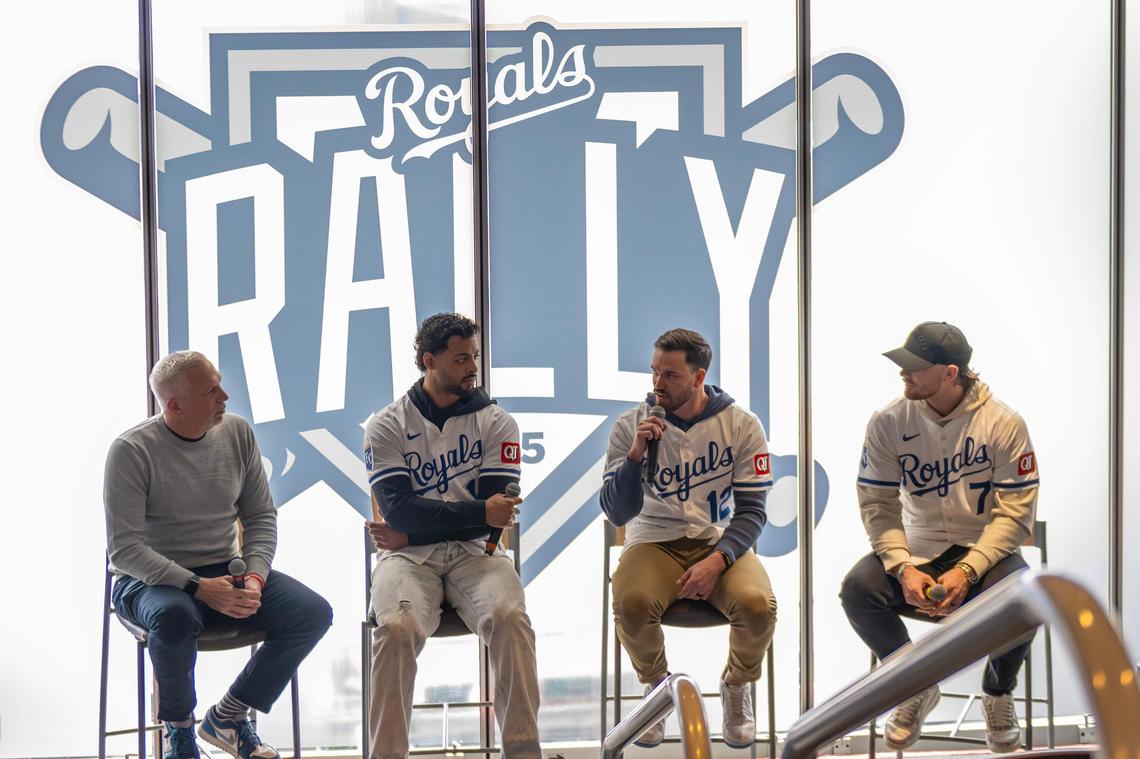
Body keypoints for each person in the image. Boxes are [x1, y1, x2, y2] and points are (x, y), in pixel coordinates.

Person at [104, 351, 332, 759]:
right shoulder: (131, 450)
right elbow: (125, 549)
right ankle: (180, 736)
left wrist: (257, 577)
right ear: (174, 405)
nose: (224, 396)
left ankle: (228, 716)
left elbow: (261, 516)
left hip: (224, 572)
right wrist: (198, 587)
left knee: (311, 612)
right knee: (175, 615)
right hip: (147, 582)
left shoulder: (237, 433)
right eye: (212, 391)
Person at [840, 321, 1040, 753]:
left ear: (951, 373)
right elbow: (877, 504)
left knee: (1027, 599)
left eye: (914, 367)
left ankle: (998, 693)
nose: (902, 374)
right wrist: (902, 565)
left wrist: (969, 569)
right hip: (918, 549)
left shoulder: (1004, 424)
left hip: (982, 550)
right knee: (858, 590)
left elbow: (1016, 514)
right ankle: (914, 685)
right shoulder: (888, 421)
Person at [364, 313, 540, 759]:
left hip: (476, 553)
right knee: (396, 628)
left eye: (474, 356)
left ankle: (523, 754)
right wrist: (477, 511)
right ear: (429, 360)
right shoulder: (384, 424)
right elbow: (399, 509)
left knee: (510, 617)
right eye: (461, 358)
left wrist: (414, 532)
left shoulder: (498, 422)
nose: (472, 367)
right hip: (404, 560)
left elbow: (493, 519)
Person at [599, 328, 777, 748]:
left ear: (698, 378)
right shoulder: (631, 426)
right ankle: (658, 690)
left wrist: (719, 560)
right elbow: (616, 511)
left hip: (720, 540)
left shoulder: (741, 424)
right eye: (654, 372)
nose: (658, 383)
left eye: (671, 376)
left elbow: (753, 511)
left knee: (757, 606)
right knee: (631, 602)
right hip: (653, 541)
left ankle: (736, 685)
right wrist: (636, 456)